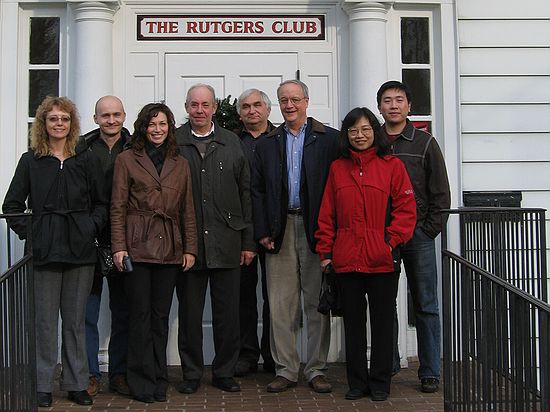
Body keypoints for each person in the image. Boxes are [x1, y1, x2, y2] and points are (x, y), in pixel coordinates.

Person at [2, 96, 108, 407]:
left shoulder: (85, 159)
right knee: (45, 323)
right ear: (44, 124)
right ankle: (42, 385)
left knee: (75, 322)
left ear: (71, 124)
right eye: (53, 119)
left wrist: (89, 227)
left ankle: (76, 383)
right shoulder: (30, 160)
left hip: (80, 252)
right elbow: (12, 206)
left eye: (64, 118)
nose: (58, 124)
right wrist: (34, 233)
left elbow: (102, 203)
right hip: (45, 253)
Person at [315, 107, 417, 401]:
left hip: (381, 259)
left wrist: (390, 241)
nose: (360, 136)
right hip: (346, 259)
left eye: (365, 129)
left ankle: (381, 382)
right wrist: (325, 251)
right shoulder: (337, 168)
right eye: (353, 131)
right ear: (346, 135)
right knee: (354, 325)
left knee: (383, 324)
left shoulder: (392, 166)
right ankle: (357, 382)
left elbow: (406, 209)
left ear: (375, 131)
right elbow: (327, 213)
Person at [251, 80, 338, 393]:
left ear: (307, 101)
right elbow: (256, 191)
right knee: (281, 304)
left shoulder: (330, 140)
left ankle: (316, 369)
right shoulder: (266, 143)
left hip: (317, 230)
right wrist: (261, 230)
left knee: (316, 303)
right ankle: (286, 369)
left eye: (295, 100)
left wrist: (333, 233)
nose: (290, 105)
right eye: (284, 100)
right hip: (280, 229)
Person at [110, 102, 197, 403]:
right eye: (151, 124)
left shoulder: (180, 162)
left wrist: (191, 249)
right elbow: (118, 207)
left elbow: (187, 209)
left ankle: (159, 378)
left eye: (162, 124)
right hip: (137, 246)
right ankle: (140, 381)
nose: (157, 130)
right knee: (139, 316)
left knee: (160, 318)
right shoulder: (126, 159)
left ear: (170, 127)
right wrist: (119, 247)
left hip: (171, 249)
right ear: (143, 127)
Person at [175, 84, 256, 394]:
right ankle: (191, 374)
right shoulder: (176, 143)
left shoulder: (231, 142)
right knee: (190, 315)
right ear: (186, 107)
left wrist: (248, 242)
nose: (199, 110)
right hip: (189, 246)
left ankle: (224, 372)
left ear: (214, 107)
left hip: (227, 242)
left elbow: (245, 193)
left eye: (205, 104)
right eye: (194, 104)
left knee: (228, 316)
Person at [377, 80, 451, 393]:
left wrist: (429, 228)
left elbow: (440, 192)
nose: (393, 106)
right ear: (379, 106)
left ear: (409, 105)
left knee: (426, 303)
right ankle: (388, 364)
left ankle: (430, 369)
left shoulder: (424, 143)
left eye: (399, 100)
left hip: (418, 233)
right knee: (384, 302)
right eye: (387, 101)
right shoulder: (372, 140)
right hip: (382, 235)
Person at [82, 96, 131, 397]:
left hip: (124, 241)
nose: (111, 120)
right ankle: (89, 374)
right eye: (105, 115)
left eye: (116, 114)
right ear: (95, 118)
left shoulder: (137, 147)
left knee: (123, 311)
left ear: (124, 116)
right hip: (88, 240)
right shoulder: (81, 148)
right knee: (85, 313)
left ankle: (120, 374)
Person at [234, 88, 276, 376]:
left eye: (257, 105)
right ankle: (246, 355)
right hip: (241, 231)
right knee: (243, 296)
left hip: (274, 229)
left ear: (268, 109)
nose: (252, 110)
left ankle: (274, 355)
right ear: (240, 113)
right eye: (246, 106)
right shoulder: (233, 143)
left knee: (275, 297)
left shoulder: (281, 139)